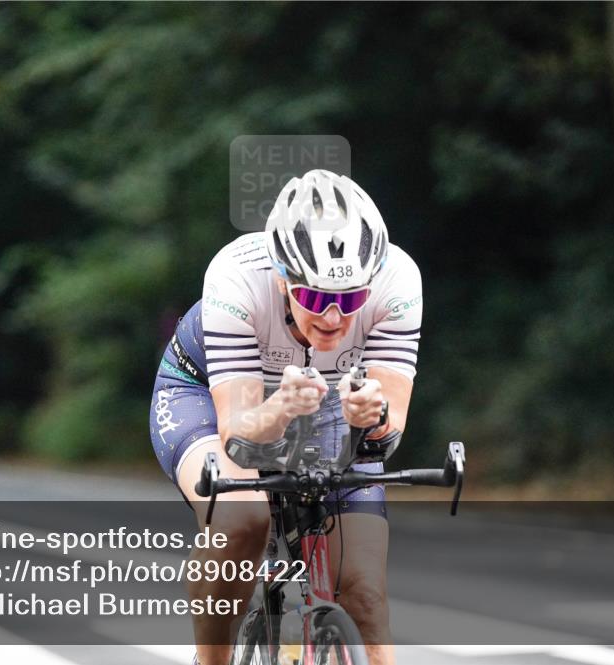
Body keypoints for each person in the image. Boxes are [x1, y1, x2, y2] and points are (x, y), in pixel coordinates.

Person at [149, 169, 422, 665]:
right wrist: (279, 407)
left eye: (350, 299)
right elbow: (237, 436)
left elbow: (389, 425)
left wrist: (373, 417)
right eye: (315, 298)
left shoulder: (398, 281)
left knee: (363, 596)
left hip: (326, 405)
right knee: (241, 519)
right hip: (207, 399)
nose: (335, 318)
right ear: (281, 278)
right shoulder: (235, 277)